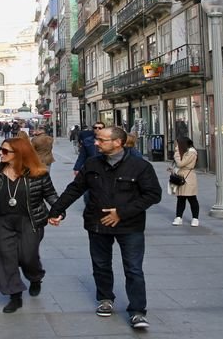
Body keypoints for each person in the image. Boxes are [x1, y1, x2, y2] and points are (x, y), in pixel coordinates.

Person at [47, 127, 162, 330]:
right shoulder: (92, 164)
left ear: (117, 142)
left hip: (129, 225)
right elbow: (75, 188)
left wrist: (121, 212)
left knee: (133, 268)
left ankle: (137, 311)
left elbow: (153, 194)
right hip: (97, 222)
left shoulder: (140, 166)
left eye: (101, 140)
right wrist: (57, 210)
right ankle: (105, 298)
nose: (96, 143)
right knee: (101, 264)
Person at [0, 138, 59, 313]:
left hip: (29, 220)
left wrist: (58, 212)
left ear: (20, 153)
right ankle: (15, 295)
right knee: (5, 258)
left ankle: (35, 277)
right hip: (1, 220)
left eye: (5, 151)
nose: (1, 153)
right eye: (1, 149)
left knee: (27, 256)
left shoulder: (38, 173)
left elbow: (51, 195)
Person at [170, 137, 200, 227]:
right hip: (181, 176)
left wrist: (176, 153)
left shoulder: (191, 153)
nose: (176, 146)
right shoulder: (184, 152)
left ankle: (195, 218)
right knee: (180, 199)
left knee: (192, 198)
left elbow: (181, 163)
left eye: (177, 144)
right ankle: (178, 217)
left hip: (188, 177)